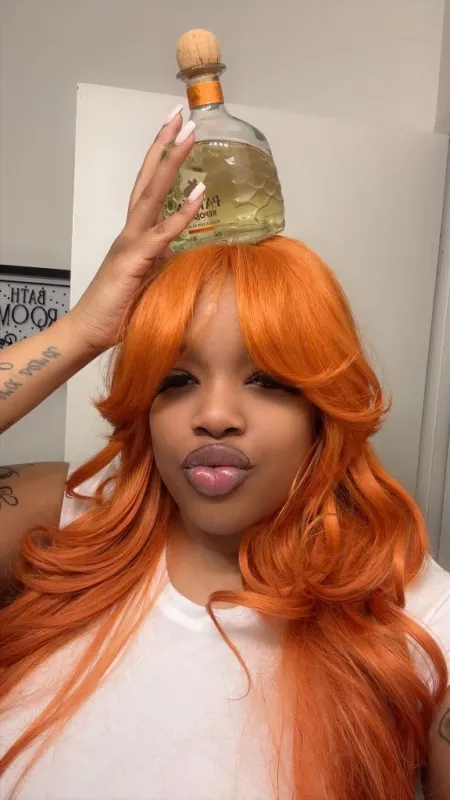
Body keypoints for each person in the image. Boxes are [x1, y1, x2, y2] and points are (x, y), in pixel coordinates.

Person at [0, 107, 449, 800]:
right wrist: (84, 330)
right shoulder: (57, 532)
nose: (213, 416)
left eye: (267, 379)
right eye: (175, 380)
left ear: (321, 410)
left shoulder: (418, 617)